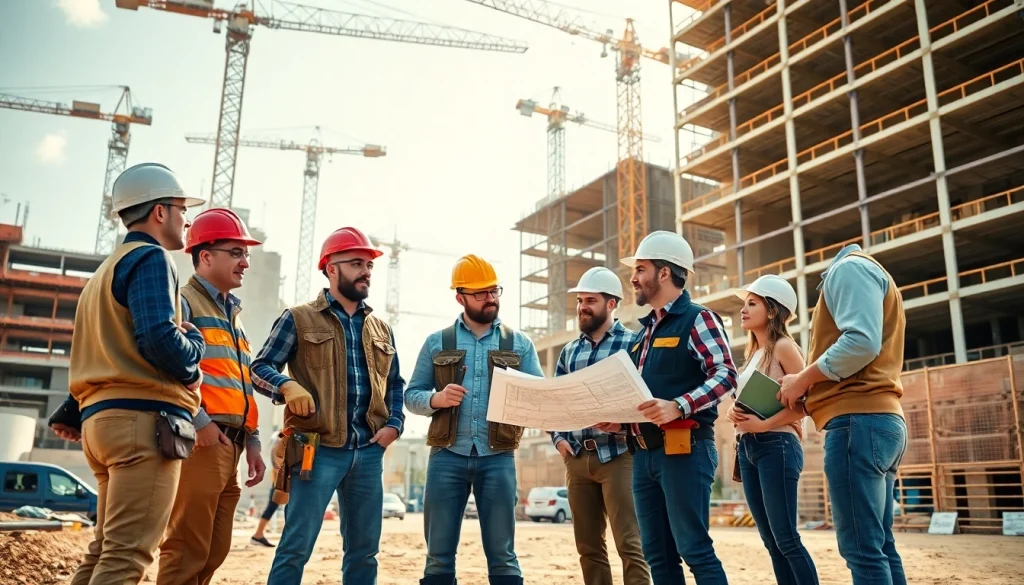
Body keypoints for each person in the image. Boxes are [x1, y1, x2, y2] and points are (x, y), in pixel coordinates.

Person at [56, 163, 207, 585]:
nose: (186, 220)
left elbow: (99, 349)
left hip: (102, 425)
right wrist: (194, 355)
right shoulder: (152, 258)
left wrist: (73, 408)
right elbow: (157, 338)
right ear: (159, 212)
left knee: (105, 550)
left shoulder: (102, 273)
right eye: (181, 209)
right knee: (126, 558)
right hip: (143, 425)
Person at [251, 226, 405, 585]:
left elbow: (395, 383)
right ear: (331, 269)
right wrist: (286, 385)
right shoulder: (298, 318)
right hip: (316, 450)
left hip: (368, 452)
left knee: (364, 552)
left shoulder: (381, 328)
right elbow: (259, 368)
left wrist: (394, 425)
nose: (365, 271)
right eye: (356, 264)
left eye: (369, 264)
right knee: (295, 547)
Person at [595, 230, 736, 585]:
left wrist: (679, 406)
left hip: (684, 450)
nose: (633, 278)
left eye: (640, 269)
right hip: (643, 455)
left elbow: (726, 375)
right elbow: (644, 398)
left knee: (694, 549)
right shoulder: (643, 335)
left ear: (664, 272)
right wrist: (621, 423)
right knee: (657, 555)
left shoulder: (698, 319)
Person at [405, 254, 543, 585]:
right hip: (446, 457)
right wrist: (436, 399)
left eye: (494, 290)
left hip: (498, 458)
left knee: (503, 557)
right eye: (481, 293)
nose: (490, 298)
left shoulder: (519, 343)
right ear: (460, 298)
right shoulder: (437, 342)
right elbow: (411, 395)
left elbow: (539, 397)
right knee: (438, 558)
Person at [777, 244, 907, 585]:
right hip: (877, 420)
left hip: (857, 421)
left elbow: (861, 343)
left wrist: (802, 379)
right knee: (879, 545)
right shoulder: (871, 272)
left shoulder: (848, 269)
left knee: (862, 549)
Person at [156, 208, 267, 585]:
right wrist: (200, 422)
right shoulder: (183, 302)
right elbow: (167, 368)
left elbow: (240, 385)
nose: (245, 262)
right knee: (187, 548)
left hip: (231, 445)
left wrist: (252, 440)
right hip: (201, 442)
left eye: (246, 254)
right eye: (236, 253)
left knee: (214, 550)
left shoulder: (235, 318)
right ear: (205, 256)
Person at [549, 267, 650, 585]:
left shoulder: (634, 345)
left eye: (590, 300)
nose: (583, 307)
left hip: (620, 457)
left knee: (631, 544)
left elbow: (647, 401)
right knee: (588, 547)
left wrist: (623, 424)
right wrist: (559, 440)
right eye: (580, 301)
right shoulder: (570, 352)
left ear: (612, 303)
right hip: (577, 459)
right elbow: (555, 402)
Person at [726, 275, 819, 585]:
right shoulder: (753, 354)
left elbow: (810, 402)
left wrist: (764, 424)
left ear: (772, 310)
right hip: (748, 448)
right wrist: (733, 411)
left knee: (786, 539)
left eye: (752, 303)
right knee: (771, 542)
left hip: (777, 445)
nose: (743, 310)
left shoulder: (783, 347)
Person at [251, 433, 287, 547]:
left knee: (274, 506)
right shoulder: (282, 436)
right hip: (282, 478)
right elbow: (275, 454)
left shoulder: (280, 436)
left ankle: (258, 534)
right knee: (273, 505)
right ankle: (258, 534)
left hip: (281, 478)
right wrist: (279, 469)